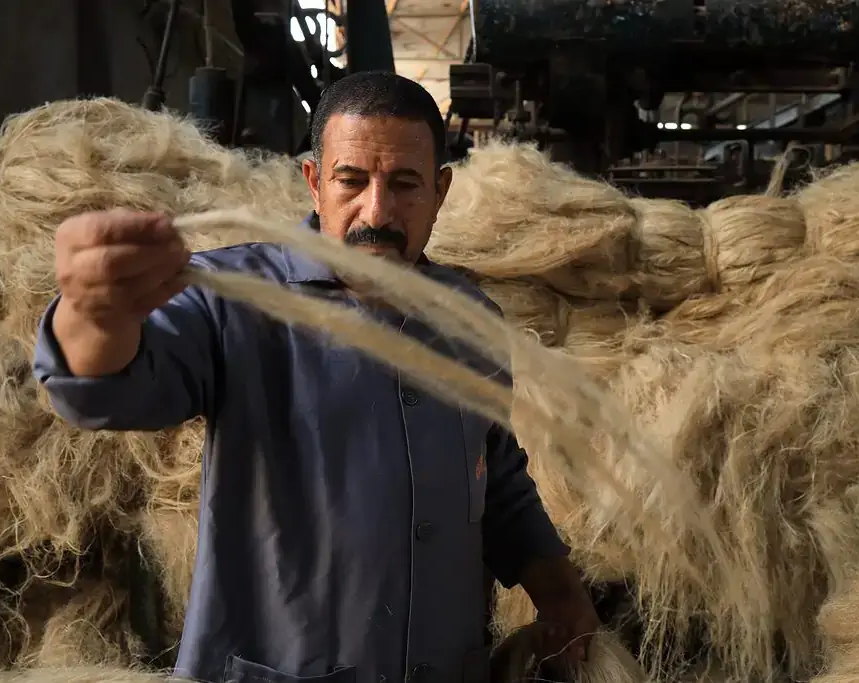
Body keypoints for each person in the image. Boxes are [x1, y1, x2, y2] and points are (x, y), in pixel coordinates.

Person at [33, 71, 599, 683]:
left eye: (404, 184)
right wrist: (93, 314)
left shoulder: (470, 320)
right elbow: (104, 390)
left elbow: (495, 475)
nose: (374, 212)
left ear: (440, 191)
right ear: (314, 182)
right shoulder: (235, 299)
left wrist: (559, 589)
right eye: (351, 181)